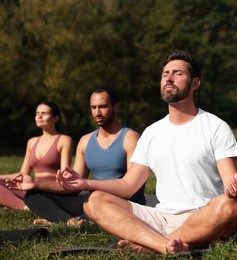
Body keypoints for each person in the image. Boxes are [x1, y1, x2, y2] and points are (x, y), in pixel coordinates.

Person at [57, 49, 237, 254]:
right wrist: (85, 183)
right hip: (160, 218)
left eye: (178, 73)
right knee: (94, 201)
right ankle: (165, 245)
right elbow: (128, 186)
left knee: (231, 207)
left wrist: (236, 187)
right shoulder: (152, 132)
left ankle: (151, 244)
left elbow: (230, 182)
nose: (169, 78)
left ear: (195, 84)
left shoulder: (215, 126)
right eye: (165, 74)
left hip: (202, 216)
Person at [7, 87, 145, 226]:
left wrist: (89, 186)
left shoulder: (130, 138)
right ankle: (70, 221)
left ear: (116, 107)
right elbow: (74, 186)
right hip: (92, 200)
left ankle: (62, 218)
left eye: (103, 107)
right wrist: (35, 184)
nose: (97, 112)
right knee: (33, 196)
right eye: (93, 107)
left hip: (121, 203)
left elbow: (132, 189)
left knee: (95, 198)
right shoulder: (85, 141)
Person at [0, 101, 73, 210]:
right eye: (37, 113)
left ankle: (24, 207)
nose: (39, 116)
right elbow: (23, 174)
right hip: (31, 186)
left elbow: (64, 174)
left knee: (28, 183)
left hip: (52, 190)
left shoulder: (64, 140)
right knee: (23, 180)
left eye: (44, 113)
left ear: (55, 118)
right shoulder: (32, 141)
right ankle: (26, 205)